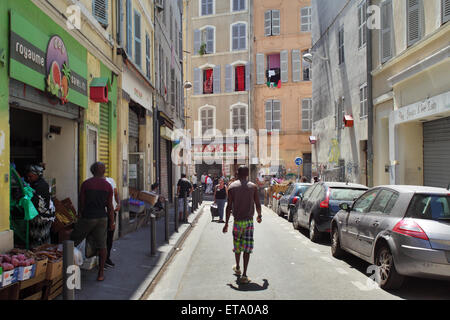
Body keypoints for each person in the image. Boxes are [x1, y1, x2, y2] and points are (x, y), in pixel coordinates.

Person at [70, 162, 114, 281]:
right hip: (102, 218)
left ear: (92, 171)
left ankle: (70, 273)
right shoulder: (107, 186)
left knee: (71, 242)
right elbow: (109, 206)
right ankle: (100, 274)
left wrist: (81, 216)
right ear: (103, 172)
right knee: (102, 245)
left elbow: (82, 203)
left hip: (88, 217)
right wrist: (112, 222)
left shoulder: (86, 184)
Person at [223, 166, 262, 284]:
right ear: (247, 174)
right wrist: (259, 216)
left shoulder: (232, 187)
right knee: (247, 249)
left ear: (237, 173)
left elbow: (229, 207)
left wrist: (226, 223)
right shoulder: (253, 187)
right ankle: (245, 274)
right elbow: (258, 203)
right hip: (249, 222)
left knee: (237, 246)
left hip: (237, 222)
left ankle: (238, 268)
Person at [25, 164, 55, 248]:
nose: (28, 178)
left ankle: (42, 254)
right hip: (40, 215)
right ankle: (40, 254)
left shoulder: (41, 185)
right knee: (38, 237)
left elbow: (35, 201)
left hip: (43, 216)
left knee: (40, 238)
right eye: (28, 176)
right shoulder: (35, 184)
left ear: (37, 175)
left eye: (31, 176)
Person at [105, 176, 120, 268]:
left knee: (109, 237)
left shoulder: (111, 180)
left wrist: (118, 203)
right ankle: (102, 260)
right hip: (101, 214)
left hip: (112, 212)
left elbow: (116, 193)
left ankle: (107, 258)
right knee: (102, 238)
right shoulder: (95, 181)